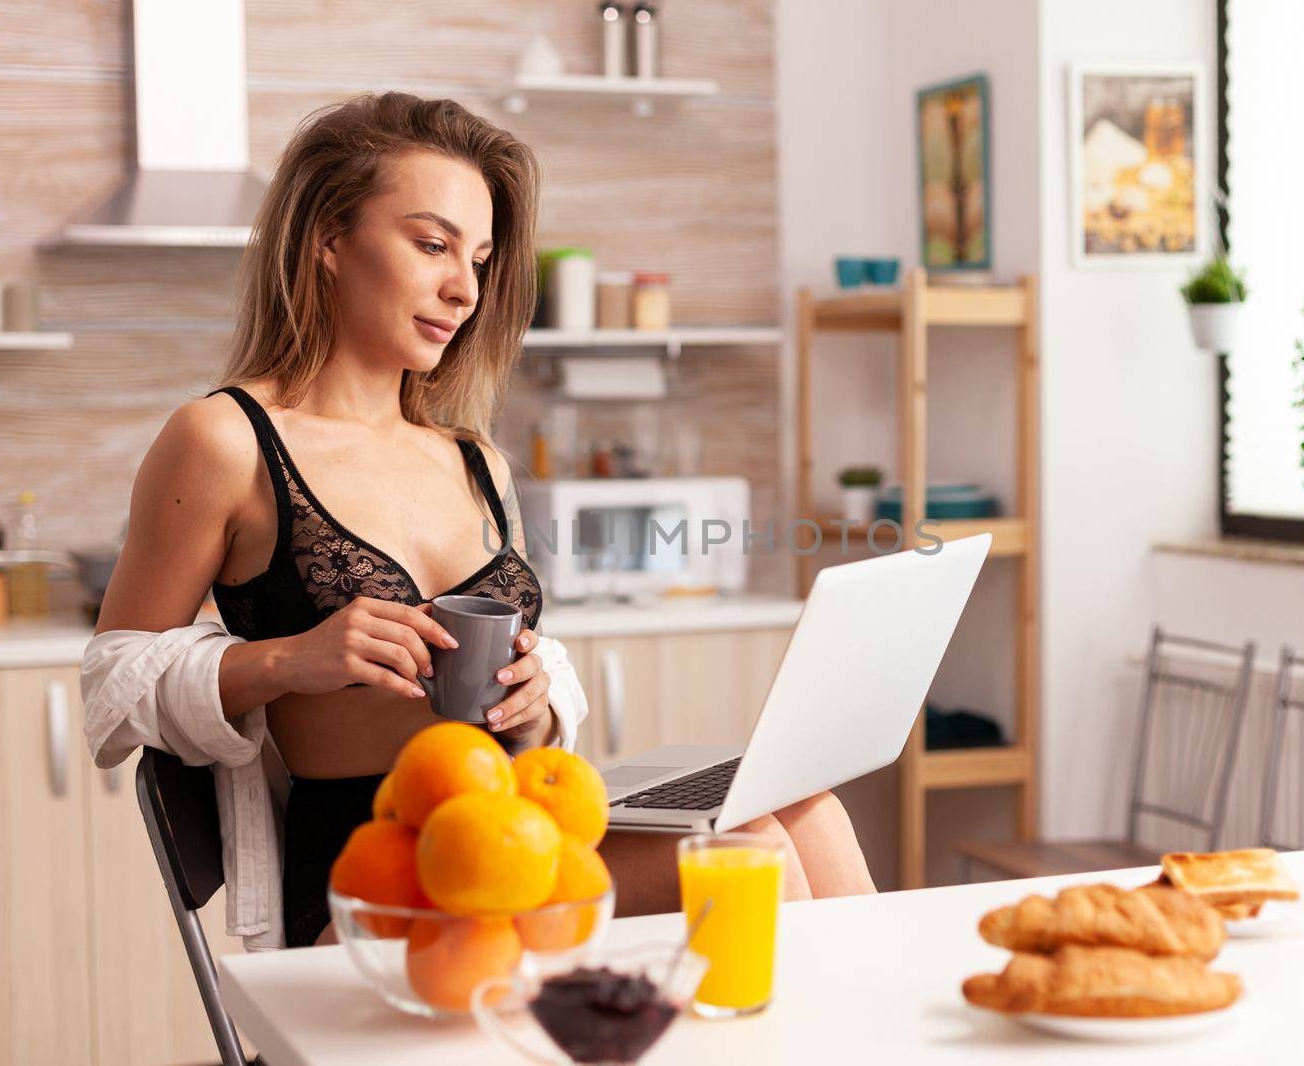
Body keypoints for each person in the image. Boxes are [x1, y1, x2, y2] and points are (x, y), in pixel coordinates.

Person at [92, 92, 873, 949]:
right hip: (374, 869)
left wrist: (537, 701)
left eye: (482, 256)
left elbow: (523, 703)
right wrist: (291, 659)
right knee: (749, 853)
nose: (463, 288)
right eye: (431, 245)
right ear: (328, 238)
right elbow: (114, 679)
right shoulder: (227, 438)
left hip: (512, 826)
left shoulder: (475, 458)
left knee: (808, 808)